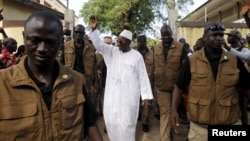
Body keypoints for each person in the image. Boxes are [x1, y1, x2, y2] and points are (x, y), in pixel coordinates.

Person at [0, 11, 103, 141]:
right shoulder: (2, 83)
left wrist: (96, 82)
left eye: (50, 42)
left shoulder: (76, 81)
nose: (42, 48)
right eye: (35, 40)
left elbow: (90, 123)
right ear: (24, 37)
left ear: (60, 42)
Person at [171, 23, 250, 141]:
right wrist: (174, 110)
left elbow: (247, 88)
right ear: (205, 37)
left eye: (221, 35)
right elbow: (179, 86)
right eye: (214, 35)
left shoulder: (234, 61)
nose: (218, 38)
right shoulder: (192, 61)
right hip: (200, 128)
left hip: (230, 125)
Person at [88, 15, 153, 141]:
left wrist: (145, 96)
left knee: (127, 124)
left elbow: (143, 76)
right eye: (118, 41)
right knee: (112, 122)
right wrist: (94, 30)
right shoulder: (112, 52)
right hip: (112, 97)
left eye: (121, 41)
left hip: (129, 98)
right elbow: (99, 45)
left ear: (128, 42)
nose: (118, 43)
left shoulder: (137, 56)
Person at [147, 24, 188, 141]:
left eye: (168, 35)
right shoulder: (156, 48)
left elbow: (185, 67)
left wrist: (183, 86)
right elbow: (153, 67)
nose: (165, 38)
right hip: (161, 87)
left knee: (173, 111)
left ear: (172, 34)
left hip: (176, 87)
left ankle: (172, 130)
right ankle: (165, 138)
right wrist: (151, 85)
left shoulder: (181, 47)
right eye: (163, 36)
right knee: (165, 112)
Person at [60, 24, 98, 108]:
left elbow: (94, 65)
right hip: (71, 77)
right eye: (76, 32)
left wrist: (95, 82)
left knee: (86, 101)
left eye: (81, 32)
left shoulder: (91, 47)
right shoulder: (66, 46)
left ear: (84, 33)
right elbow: (61, 63)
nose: (78, 34)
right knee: (71, 100)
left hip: (85, 78)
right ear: (74, 33)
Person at [224, 29, 250, 125]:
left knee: (241, 106)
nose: (228, 38)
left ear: (236, 38)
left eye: (230, 36)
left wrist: (228, 48)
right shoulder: (225, 49)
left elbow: (245, 57)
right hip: (229, 81)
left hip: (241, 81)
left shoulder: (244, 49)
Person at [135, 34, 152, 132]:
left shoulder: (150, 53)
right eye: (138, 42)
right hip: (135, 82)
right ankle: (138, 115)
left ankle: (145, 122)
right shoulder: (133, 53)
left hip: (147, 82)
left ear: (145, 42)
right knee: (136, 101)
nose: (139, 44)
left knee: (147, 103)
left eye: (141, 42)